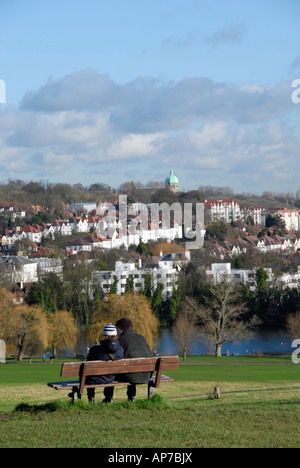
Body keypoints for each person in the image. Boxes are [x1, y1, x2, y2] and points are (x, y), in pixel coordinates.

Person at [103, 317, 152, 403]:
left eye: (117, 328)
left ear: (121, 329)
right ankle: (131, 397)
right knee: (132, 368)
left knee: (112, 371)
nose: (116, 331)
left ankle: (108, 398)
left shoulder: (120, 341)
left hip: (131, 375)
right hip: (146, 375)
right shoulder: (142, 338)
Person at [85, 323, 124, 404]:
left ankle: (91, 399)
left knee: (88, 374)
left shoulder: (94, 350)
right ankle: (109, 398)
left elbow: (88, 361)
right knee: (111, 372)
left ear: (104, 336)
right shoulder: (120, 349)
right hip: (110, 379)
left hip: (93, 379)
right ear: (115, 335)